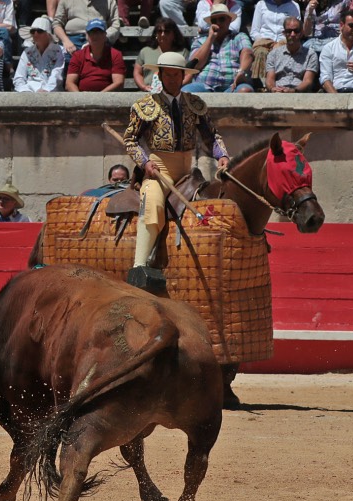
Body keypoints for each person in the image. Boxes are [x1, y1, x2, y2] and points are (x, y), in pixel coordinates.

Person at [123, 51, 230, 288]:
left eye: (176, 75)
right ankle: (139, 268)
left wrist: (221, 155)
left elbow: (211, 135)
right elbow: (130, 140)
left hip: (188, 171)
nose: (172, 79)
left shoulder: (195, 105)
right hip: (159, 169)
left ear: (183, 76)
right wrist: (144, 162)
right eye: (167, 75)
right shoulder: (145, 106)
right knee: (153, 203)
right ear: (160, 75)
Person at [183, 4, 255, 93]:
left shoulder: (239, 37)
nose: (218, 23)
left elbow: (247, 53)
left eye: (221, 19)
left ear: (229, 20)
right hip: (204, 85)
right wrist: (210, 39)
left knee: (245, 90)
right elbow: (195, 65)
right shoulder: (200, 41)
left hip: (233, 85)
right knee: (185, 92)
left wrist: (241, 71)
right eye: (214, 20)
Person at [319, 9, 353, 93]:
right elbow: (325, 78)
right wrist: (337, 98)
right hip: (336, 92)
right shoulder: (329, 48)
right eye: (351, 25)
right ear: (341, 25)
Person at [65, 18, 125, 92]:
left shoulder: (115, 55)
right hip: (82, 98)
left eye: (99, 32)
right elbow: (69, 83)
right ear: (86, 35)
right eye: (91, 32)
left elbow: (118, 82)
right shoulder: (78, 56)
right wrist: (80, 98)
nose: (95, 35)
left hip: (108, 99)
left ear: (105, 35)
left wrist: (99, 97)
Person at [249, 0, 302, 84]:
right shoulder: (261, 4)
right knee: (260, 52)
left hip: (285, 40)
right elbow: (254, 31)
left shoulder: (294, 6)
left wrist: (281, 43)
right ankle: (259, 84)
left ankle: (280, 82)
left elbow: (296, 29)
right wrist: (265, 42)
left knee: (280, 50)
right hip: (264, 41)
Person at [133, 16, 189, 93]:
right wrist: (143, 87)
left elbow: (188, 75)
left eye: (167, 31)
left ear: (174, 35)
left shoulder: (183, 53)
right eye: (159, 31)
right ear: (155, 34)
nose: (162, 34)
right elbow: (137, 72)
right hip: (147, 93)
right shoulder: (145, 51)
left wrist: (174, 87)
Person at [266, 16, 319, 92]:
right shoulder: (273, 54)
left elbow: (308, 81)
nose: (293, 34)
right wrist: (272, 88)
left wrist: (293, 90)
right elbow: (270, 79)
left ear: (301, 33)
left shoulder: (310, 54)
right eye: (289, 31)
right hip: (278, 92)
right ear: (284, 33)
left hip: (300, 94)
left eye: (296, 31)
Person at [13, 16, 65, 92]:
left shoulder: (59, 51)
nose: (35, 34)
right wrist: (24, 90)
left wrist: (46, 90)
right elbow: (19, 77)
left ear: (48, 34)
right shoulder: (27, 52)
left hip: (52, 93)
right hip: (28, 92)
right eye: (33, 31)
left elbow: (56, 75)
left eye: (39, 31)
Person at [53, 0, 122, 54]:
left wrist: (102, 38)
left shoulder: (109, 1)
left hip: (99, 37)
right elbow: (57, 23)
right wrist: (66, 41)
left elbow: (115, 25)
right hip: (72, 39)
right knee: (65, 60)